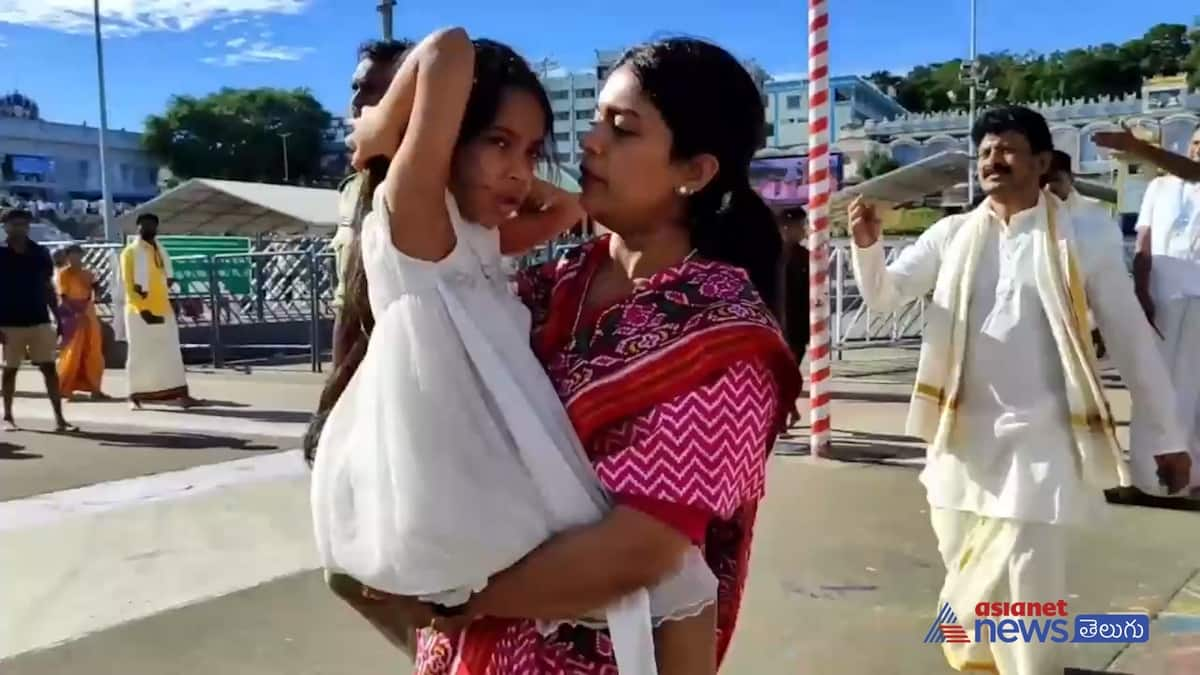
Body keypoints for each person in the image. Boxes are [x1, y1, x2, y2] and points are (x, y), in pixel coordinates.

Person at [309, 30, 761, 674]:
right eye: (597, 120)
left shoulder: (720, 332)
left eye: (622, 128)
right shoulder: (551, 283)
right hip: (469, 609)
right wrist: (390, 128)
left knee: (684, 584)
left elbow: (642, 549)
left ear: (695, 170)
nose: (591, 142)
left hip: (575, 648)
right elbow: (448, 56)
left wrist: (465, 603)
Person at [847, 106, 1191, 675]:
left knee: (1031, 581)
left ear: (1041, 162)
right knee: (969, 575)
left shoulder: (1084, 235)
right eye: (984, 152)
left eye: (1006, 149)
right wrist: (866, 248)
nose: (992, 160)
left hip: (1043, 441)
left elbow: (1132, 339)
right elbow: (886, 296)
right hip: (960, 444)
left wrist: (1169, 437)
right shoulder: (951, 234)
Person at [1095, 126, 1200, 496]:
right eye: (1196, 142)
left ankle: (1191, 477)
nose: (1198, 150)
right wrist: (1140, 289)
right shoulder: (1160, 187)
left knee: (1193, 388)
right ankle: (1144, 478)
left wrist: (1138, 148)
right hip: (1163, 295)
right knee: (1152, 384)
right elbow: (1144, 242)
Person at [331, 38, 413, 367]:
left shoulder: (434, 184)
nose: (356, 102)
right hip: (356, 355)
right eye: (355, 87)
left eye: (372, 89)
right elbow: (345, 299)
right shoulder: (352, 190)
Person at [1043, 149, 1123, 358]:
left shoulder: (1095, 216)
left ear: (1071, 178)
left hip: (1083, 311)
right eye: (1043, 181)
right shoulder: (1029, 214)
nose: (1049, 187)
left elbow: (1109, 267)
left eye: (1056, 180)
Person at [1, 208, 75, 432]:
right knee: (10, 370)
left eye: (23, 224)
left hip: (39, 319)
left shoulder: (40, 253)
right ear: (5, 227)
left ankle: (60, 419)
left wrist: (58, 317)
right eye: (14, 224)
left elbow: (47, 287)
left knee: (49, 369)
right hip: (8, 321)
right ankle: (8, 417)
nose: (19, 228)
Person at [120, 213, 197, 409]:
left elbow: (166, 278)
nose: (148, 228)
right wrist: (142, 309)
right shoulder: (130, 252)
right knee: (140, 354)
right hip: (139, 312)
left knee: (170, 353)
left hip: (163, 307)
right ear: (137, 227)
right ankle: (134, 396)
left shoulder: (160, 250)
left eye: (152, 225)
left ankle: (180, 394)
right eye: (144, 225)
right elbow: (129, 285)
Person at [55, 244, 110, 401]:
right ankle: (64, 387)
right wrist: (75, 313)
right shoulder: (63, 274)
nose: (75, 258)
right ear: (67, 257)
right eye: (72, 255)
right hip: (71, 314)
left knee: (93, 350)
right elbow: (63, 296)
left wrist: (96, 294)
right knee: (72, 350)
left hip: (88, 311)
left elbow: (96, 289)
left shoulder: (88, 273)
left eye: (78, 255)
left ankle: (95, 388)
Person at [780, 206, 811, 369]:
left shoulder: (804, 255)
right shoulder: (774, 254)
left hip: (798, 324)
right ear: (785, 227)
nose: (802, 230)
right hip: (782, 322)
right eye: (798, 225)